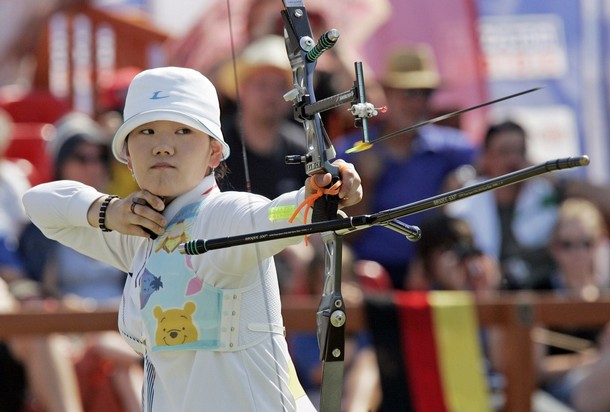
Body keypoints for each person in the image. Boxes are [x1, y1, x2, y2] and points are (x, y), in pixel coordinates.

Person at [23, 66, 362, 411]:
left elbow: (268, 216)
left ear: (214, 152)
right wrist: (109, 211)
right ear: (126, 153)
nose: (163, 147)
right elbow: (37, 204)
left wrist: (315, 199)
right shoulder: (139, 234)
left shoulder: (222, 214)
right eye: (147, 132)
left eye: (184, 131)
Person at [19, 112, 143, 412]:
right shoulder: (38, 229)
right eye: (80, 157)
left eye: (99, 157)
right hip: (70, 328)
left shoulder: (127, 217)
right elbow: (33, 290)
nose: (92, 166)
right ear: (60, 163)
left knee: (124, 367)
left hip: (125, 326)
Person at [334, 43, 477, 289]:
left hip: (433, 275)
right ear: (387, 93)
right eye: (409, 93)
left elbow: (494, 165)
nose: (417, 103)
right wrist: (366, 182)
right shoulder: (350, 151)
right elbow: (342, 230)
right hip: (368, 274)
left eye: (425, 93)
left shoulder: (451, 147)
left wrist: (465, 178)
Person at [446, 120, 559, 290]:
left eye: (519, 151)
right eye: (504, 152)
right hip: (481, 297)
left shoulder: (545, 196)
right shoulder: (466, 202)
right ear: (486, 157)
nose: (513, 160)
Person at [533, 198, 610, 409]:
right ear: (554, 247)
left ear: (599, 243)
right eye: (567, 245)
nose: (578, 253)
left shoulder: (606, 294)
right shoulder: (539, 292)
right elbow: (534, 368)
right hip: (557, 393)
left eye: (586, 243)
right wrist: (591, 361)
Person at [216, 34, 308, 200]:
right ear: (241, 90)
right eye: (262, 85)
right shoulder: (216, 146)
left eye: (281, 86)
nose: (271, 95)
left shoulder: (302, 149)